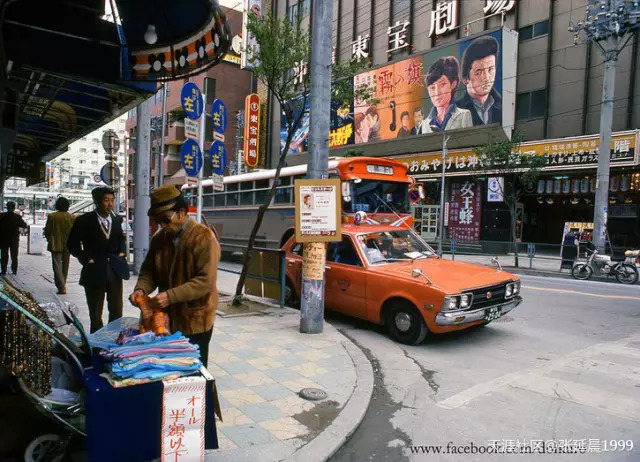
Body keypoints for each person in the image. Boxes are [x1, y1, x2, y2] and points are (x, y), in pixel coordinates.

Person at [129, 185, 220, 367]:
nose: (163, 226)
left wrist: (169, 297)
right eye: (158, 221)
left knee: (193, 370)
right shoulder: (159, 239)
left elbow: (205, 282)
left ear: (182, 212)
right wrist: (141, 289)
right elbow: (149, 271)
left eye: (165, 219)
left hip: (196, 319)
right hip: (167, 320)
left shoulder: (204, 237)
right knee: (170, 368)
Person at [68, 187, 129, 333]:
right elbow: (72, 244)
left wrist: (121, 253)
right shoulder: (84, 220)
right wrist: (86, 259)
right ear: (96, 202)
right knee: (95, 313)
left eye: (112, 200)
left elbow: (120, 238)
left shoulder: (116, 219)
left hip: (114, 270)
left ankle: (113, 338)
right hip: (94, 271)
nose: (110, 204)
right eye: (106, 200)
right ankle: (96, 343)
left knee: (116, 309)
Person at [456, 35, 502, 126]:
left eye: (490, 69)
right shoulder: (455, 110)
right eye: (479, 72)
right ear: (465, 78)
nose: (486, 78)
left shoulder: (504, 105)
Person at [422, 56, 473, 133]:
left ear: (453, 84)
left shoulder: (464, 115)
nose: (437, 93)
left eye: (442, 85)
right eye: (432, 88)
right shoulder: (425, 124)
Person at [44, 196, 76, 294]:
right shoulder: (72, 217)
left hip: (55, 243)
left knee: (57, 266)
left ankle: (61, 287)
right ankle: (63, 284)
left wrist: (49, 238)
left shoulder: (52, 216)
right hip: (69, 244)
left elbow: (47, 231)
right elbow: (75, 232)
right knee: (66, 266)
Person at [0, 201, 28, 275]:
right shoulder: (17, 217)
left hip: (4, 238)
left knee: (4, 255)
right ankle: (14, 270)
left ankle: (3, 271)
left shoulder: (2, 216)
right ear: (14, 208)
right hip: (14, 239)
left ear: (7, 207)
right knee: (14, 255)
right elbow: (24, 225)